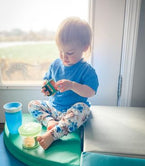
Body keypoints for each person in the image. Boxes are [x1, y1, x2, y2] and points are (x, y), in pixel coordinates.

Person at [28, 17, 99, 150]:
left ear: (85, 47)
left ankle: (52, 135)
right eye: (60, 51)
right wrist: (46, 87)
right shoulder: (56, 64)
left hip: (71, 112)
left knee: (83, 109)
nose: (63, 57)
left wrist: (72, 85)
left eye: (69, 53)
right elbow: (47, 79)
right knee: (32, 104)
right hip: (53, 107)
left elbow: (91, 92)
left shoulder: (86, 70)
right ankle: (51, 122)